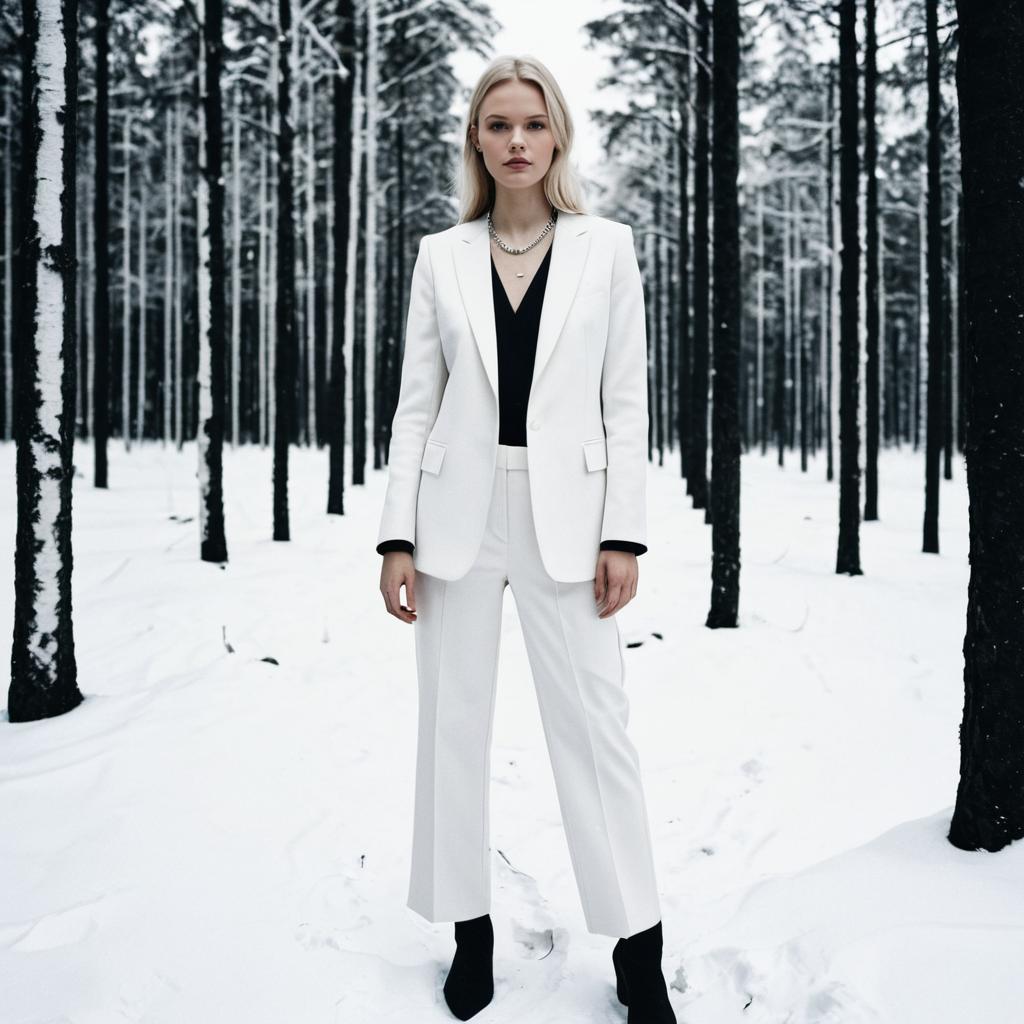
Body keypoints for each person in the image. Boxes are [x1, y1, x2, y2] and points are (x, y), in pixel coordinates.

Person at [376, 54, 676, 1023]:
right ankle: (469, 932)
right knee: (449, 727)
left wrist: (623, 532)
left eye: (532, 124)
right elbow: (415, 409)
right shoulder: (440, 257)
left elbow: (625, 404)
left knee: (596, 731)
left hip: (573, 521)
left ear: (557, 138)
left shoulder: (608, 250)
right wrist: (395, 538)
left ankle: (638, 950)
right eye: (497, 123)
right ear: (476, 137)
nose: (514, 141)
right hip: (456, 518)